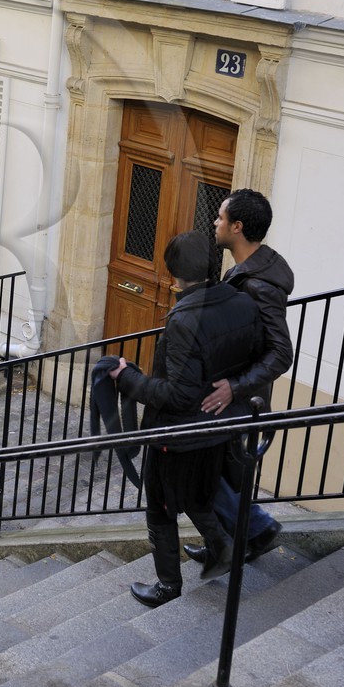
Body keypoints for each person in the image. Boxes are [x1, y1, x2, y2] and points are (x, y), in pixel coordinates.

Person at [109, 230, 264, 608]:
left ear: (174, 272)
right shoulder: (242, 303)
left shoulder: (184, 320)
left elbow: (178, 395)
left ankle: (168, 586)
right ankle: (222, 547)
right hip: (218, 427)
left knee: (160, 508)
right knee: (198, 496)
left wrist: (127, 379)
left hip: (178, 435)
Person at [185, 188, 295, 565]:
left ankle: (258, 528)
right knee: (218, 470)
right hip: (234, 390)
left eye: (221, 217)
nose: (215, 222)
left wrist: (234, 387)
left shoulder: (259, 285)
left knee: (195, 464)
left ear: (237, 227)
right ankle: (225, 542)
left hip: (239, 397)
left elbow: (281, 352)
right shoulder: (247, 270)